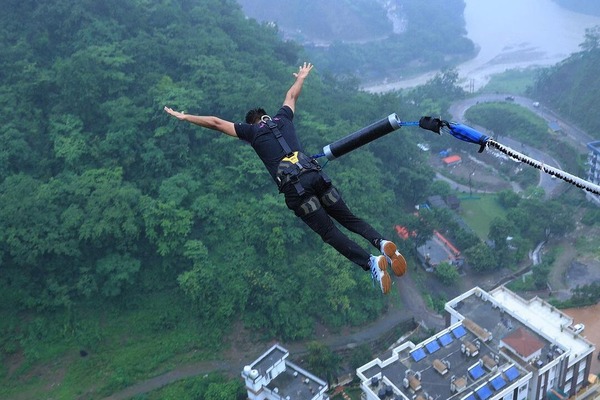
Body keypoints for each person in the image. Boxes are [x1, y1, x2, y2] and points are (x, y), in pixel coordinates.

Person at [164, 62, 406, 294]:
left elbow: (216, 123)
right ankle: (382, 243)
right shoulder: (283, 118)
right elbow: (291, 96)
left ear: (252, 123)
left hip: (297, 191)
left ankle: (371, 263)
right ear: (266, 116)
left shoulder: (251, 131)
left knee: (330, 233)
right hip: (316, 175)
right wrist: (301, 78)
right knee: (350, 219)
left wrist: (186, 118)